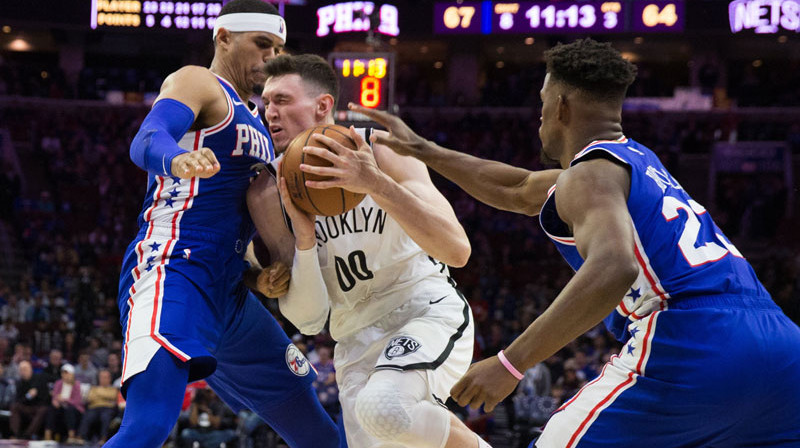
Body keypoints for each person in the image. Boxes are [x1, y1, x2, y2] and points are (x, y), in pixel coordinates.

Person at [351, 38, 800, 446]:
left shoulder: (589, 174)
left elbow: (614, 266)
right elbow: (517, 188)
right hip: (781, 349)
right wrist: (424, 149)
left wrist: (511, 362)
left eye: (543, 103)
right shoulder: (635, 160)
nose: (540, 116)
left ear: (561, 107)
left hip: (693, 342)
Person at [106, 2, 340, 447]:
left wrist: (258, 275)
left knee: (320, 436)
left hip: (230, 290)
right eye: (262, 44)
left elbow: (243, 215)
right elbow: (147, 138)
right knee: (148, 426)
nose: (272, 57)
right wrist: (177, 158)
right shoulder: (198, 81)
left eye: (278, 47)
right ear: (224, 38)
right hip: (175, 268)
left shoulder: (258, 120)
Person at [247, 54, 488, 448]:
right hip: (353, 339)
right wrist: (305, 240)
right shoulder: (267, 191)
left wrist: (374, 183)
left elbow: (456, 248)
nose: (269, 112)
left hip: (422, 310)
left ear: (323, 106)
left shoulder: (381, 147)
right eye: (266, 102)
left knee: (384, 406)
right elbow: (308, 321)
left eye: (282, 101)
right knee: (386, 418)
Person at [44, 363, 84, 443]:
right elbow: (55, 396)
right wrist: (55, 401)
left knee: (70, 410)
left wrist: (65, 399)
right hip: (61, 407)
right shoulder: (58, 383)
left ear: (72, 374)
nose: (65, 375)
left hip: (74, 408)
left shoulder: (76, 385)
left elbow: (77, 401)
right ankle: (47, 434)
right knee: (52, 409)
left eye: (67, 373)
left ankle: (71, 435)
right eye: (63, 373)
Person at [9, 360, 49, 439]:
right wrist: (28, 396)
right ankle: (15, 434)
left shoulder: (39, 379)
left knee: (43, 409)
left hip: (38, 407)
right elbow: (18, 400)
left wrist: (36, 394)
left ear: (30, 369)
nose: (23, 372)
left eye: (25, 369)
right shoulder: (19, 383)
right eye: (21, 370)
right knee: (14, 407)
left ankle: (27, 435)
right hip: (26, 407)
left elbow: (46, 397)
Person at [78, 369, 119, 444]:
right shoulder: (93, 388)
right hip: (94, 408)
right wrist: (105, 396)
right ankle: (81, 437)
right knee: (88, 416)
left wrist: (98, 394)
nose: (103, 379)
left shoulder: (113, 389)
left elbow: (112, 396)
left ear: (109, 378)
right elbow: (90, 398)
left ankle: (103, 438)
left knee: (105, 417)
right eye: (101, 377)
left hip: (107, 408)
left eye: (105, 377)